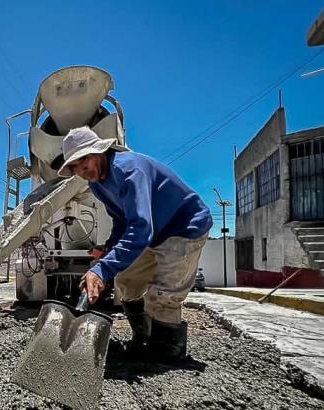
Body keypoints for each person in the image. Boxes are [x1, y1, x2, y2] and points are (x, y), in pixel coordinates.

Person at [58, 127, 212, 362]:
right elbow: (121, 220)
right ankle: (144, 336)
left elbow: (141, 227)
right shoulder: (97, 184)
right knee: (126, 281)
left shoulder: (128, 169)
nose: (81, 170)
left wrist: (101, 270)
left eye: (84, 160)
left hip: (183, 228)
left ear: (100, 151)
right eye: (74, 167)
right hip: (152, 233)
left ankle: (167, 354)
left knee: (162, 295)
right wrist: (108, 250)